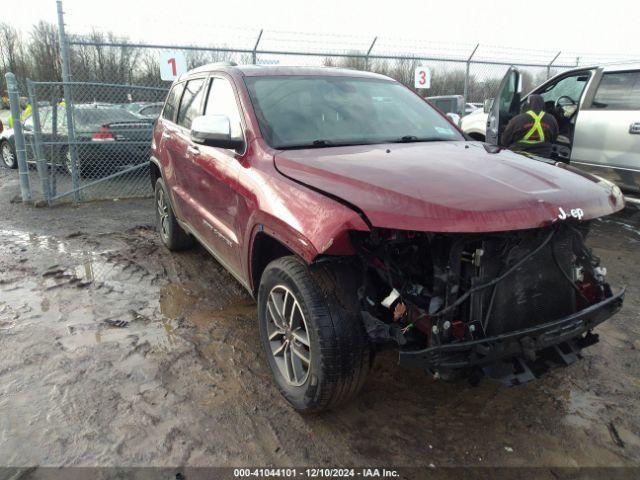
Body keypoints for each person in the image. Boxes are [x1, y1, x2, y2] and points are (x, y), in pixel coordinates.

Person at [502, 94, 558, 158]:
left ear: (527, 104)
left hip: (518, 156)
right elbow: (553, 139)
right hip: (543, 158)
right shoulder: (552, 120)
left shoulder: (517, 119)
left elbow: (505, 141)